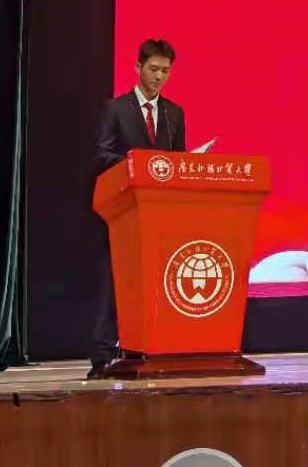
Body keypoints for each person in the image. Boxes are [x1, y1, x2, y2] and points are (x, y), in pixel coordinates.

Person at [89, 38, 187, 378]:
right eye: (153, 69)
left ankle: (150, 350)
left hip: (160, 214)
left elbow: (178, 162)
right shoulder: (116, 109)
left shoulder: (174, 114)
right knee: (113, 285)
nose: (159, 77)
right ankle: (102, 356)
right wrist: (138, 165)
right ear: (138, 67)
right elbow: (102, 154)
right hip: (124, 213)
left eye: (165, 71)